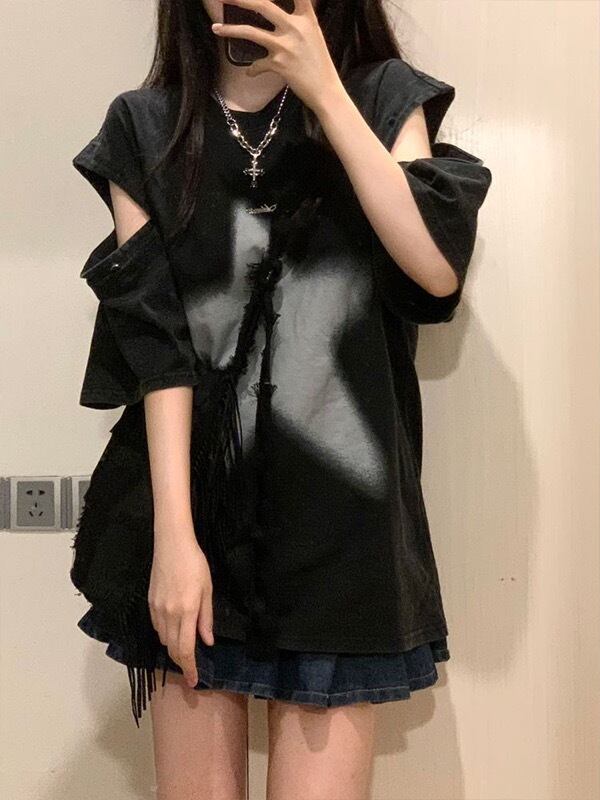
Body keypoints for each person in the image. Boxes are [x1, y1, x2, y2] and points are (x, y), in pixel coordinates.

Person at [70, 0, 492, 797]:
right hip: (195, 531)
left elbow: (435, 269)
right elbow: (159, 352)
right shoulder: (145, 127)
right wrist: (173, 540)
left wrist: (324, 89)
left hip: (343, 536)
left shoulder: (382, 97)